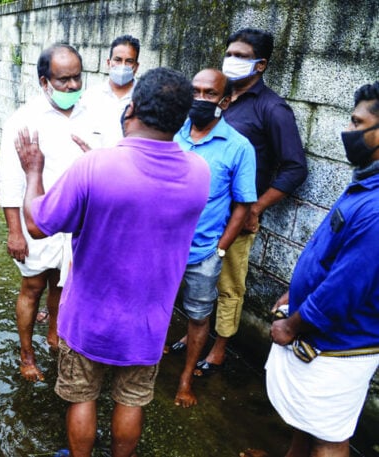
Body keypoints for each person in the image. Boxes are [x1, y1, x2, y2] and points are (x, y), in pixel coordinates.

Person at [15, 67, 210, 457]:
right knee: (132, 400)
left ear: (131, 109)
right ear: (183, 118)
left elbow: (37, 225)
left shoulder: (95, 167)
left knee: (82, 398)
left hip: (89, 318)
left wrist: (33, 172)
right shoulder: (199, 172)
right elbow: (144, 204)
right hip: (148, 321)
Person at [245, 81, 379, 457]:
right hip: (323, 336)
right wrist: (296, 292)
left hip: (340, 345)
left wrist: (292, 324)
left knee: (328, 436)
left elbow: (347, 287)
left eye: (357, 123)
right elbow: (333, 256)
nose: (348, 131)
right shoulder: (367, 185)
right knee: (307, 421)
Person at [170, 28, 308, 371]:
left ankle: (219, 346)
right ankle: (193, 333)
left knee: (229, 282)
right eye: (229, 53)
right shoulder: (208, 100)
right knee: (195, 281)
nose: (232, 60)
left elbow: (295, 168)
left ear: (259, 65)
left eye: (241, 56)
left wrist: (256, 207)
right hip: (196, 215)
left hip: (236, 215)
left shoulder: (272, 109)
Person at [0, 43, 98, 382]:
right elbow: (10, 179)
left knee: (63, 285)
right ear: (44, 81)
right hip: (36, 221)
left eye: (76, 79)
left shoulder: (92, 115)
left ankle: (55, 337)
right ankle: (27, 353)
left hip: (79, 225)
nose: (71, 86)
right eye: (63, 80)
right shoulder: (24, 121)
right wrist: (14, 231)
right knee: (33, 285)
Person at [171, 69, 257, 408]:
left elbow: (242, 205)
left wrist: (220, 248)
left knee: (198, 316)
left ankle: (185, 378)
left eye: (210, 94)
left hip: (204, 252)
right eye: (195, 91)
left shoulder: (238, 147)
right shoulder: (172, 133)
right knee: (157, 305)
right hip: (163, 247)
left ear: (226, 100)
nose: (200, 99)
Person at [80, 34, 140, 148]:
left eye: (129, 61)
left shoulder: (144, 99)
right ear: (109, 63)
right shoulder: (91, 96)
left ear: (136, 67)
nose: (122, 66)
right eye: (117, 60)